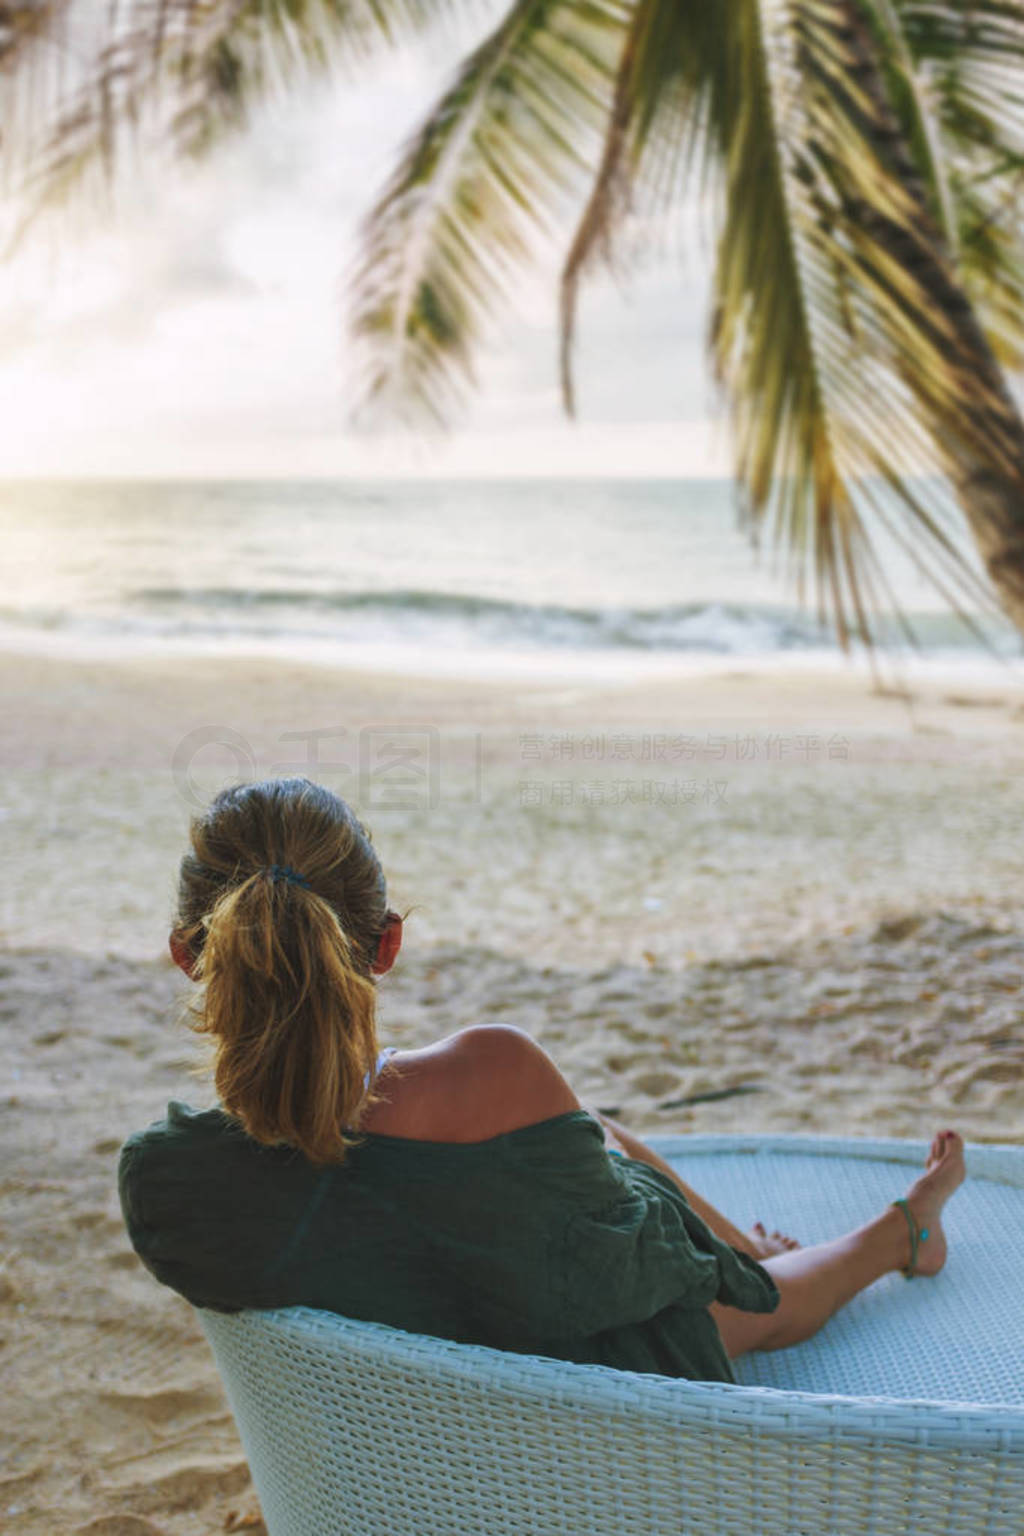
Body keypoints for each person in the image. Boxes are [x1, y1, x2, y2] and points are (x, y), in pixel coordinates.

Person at [119, 777, 965, 1383]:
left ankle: (760, 1238)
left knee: (574, 1132)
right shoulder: (494, 1072)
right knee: (757, 1294)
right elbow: (659, 1266)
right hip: (581, 1414)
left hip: (393, 1451)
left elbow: (335, 1200)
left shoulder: (165, 1181)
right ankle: (902, 1233)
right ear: (387, 945)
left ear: (189, 957)